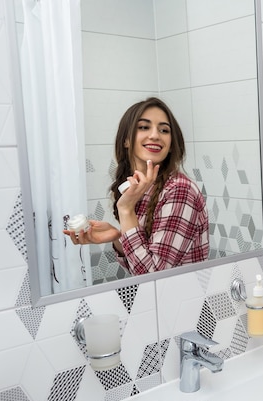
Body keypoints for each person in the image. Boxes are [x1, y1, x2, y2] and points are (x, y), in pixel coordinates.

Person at [65, 97, 209, 275]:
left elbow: (154, 276)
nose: (155, 135)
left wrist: (126, 209)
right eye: (144, 127)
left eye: (164, 130)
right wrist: (118, 238)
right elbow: (136, 265)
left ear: (171, 145)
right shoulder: (140, 188)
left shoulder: (179, 190)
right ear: (126, 140)